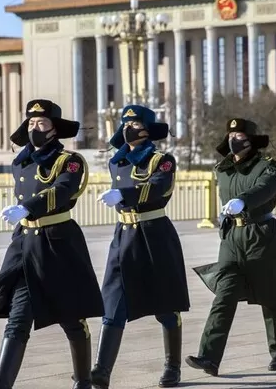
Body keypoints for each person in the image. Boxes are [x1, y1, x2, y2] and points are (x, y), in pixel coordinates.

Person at [0, 99, 104, 389]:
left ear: (55, 129)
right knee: (18, 319)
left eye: (41, 124)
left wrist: (29, 207)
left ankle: (83, 381)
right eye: (30, 123)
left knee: (72, 319)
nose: (34, 128)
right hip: (25, 245)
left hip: (58, 244)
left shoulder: (70, 161)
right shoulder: (22, 161)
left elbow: (63, 190)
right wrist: (23, 215)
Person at [186, 118, 276, 377]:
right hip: (232, 238)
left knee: (271, 298)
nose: (235, 139)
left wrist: (243, 201)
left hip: (261, 236)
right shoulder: (222, 169)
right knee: (224, 295)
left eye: (240, 135)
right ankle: (209, 357)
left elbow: (264, 189)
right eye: (231, 134)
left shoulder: (267, 167)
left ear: (251, 139)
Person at [93, 104, 190, 389]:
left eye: (134, 124)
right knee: (113, 302)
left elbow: (157, 187)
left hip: (154, 234)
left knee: (166, 304)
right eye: (124, 123)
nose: (127, 128)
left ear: (147, 128)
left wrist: (123, 193)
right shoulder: (116, 161)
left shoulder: (163, 160)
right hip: (124, 235)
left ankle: (172, 366)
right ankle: (101, 370)